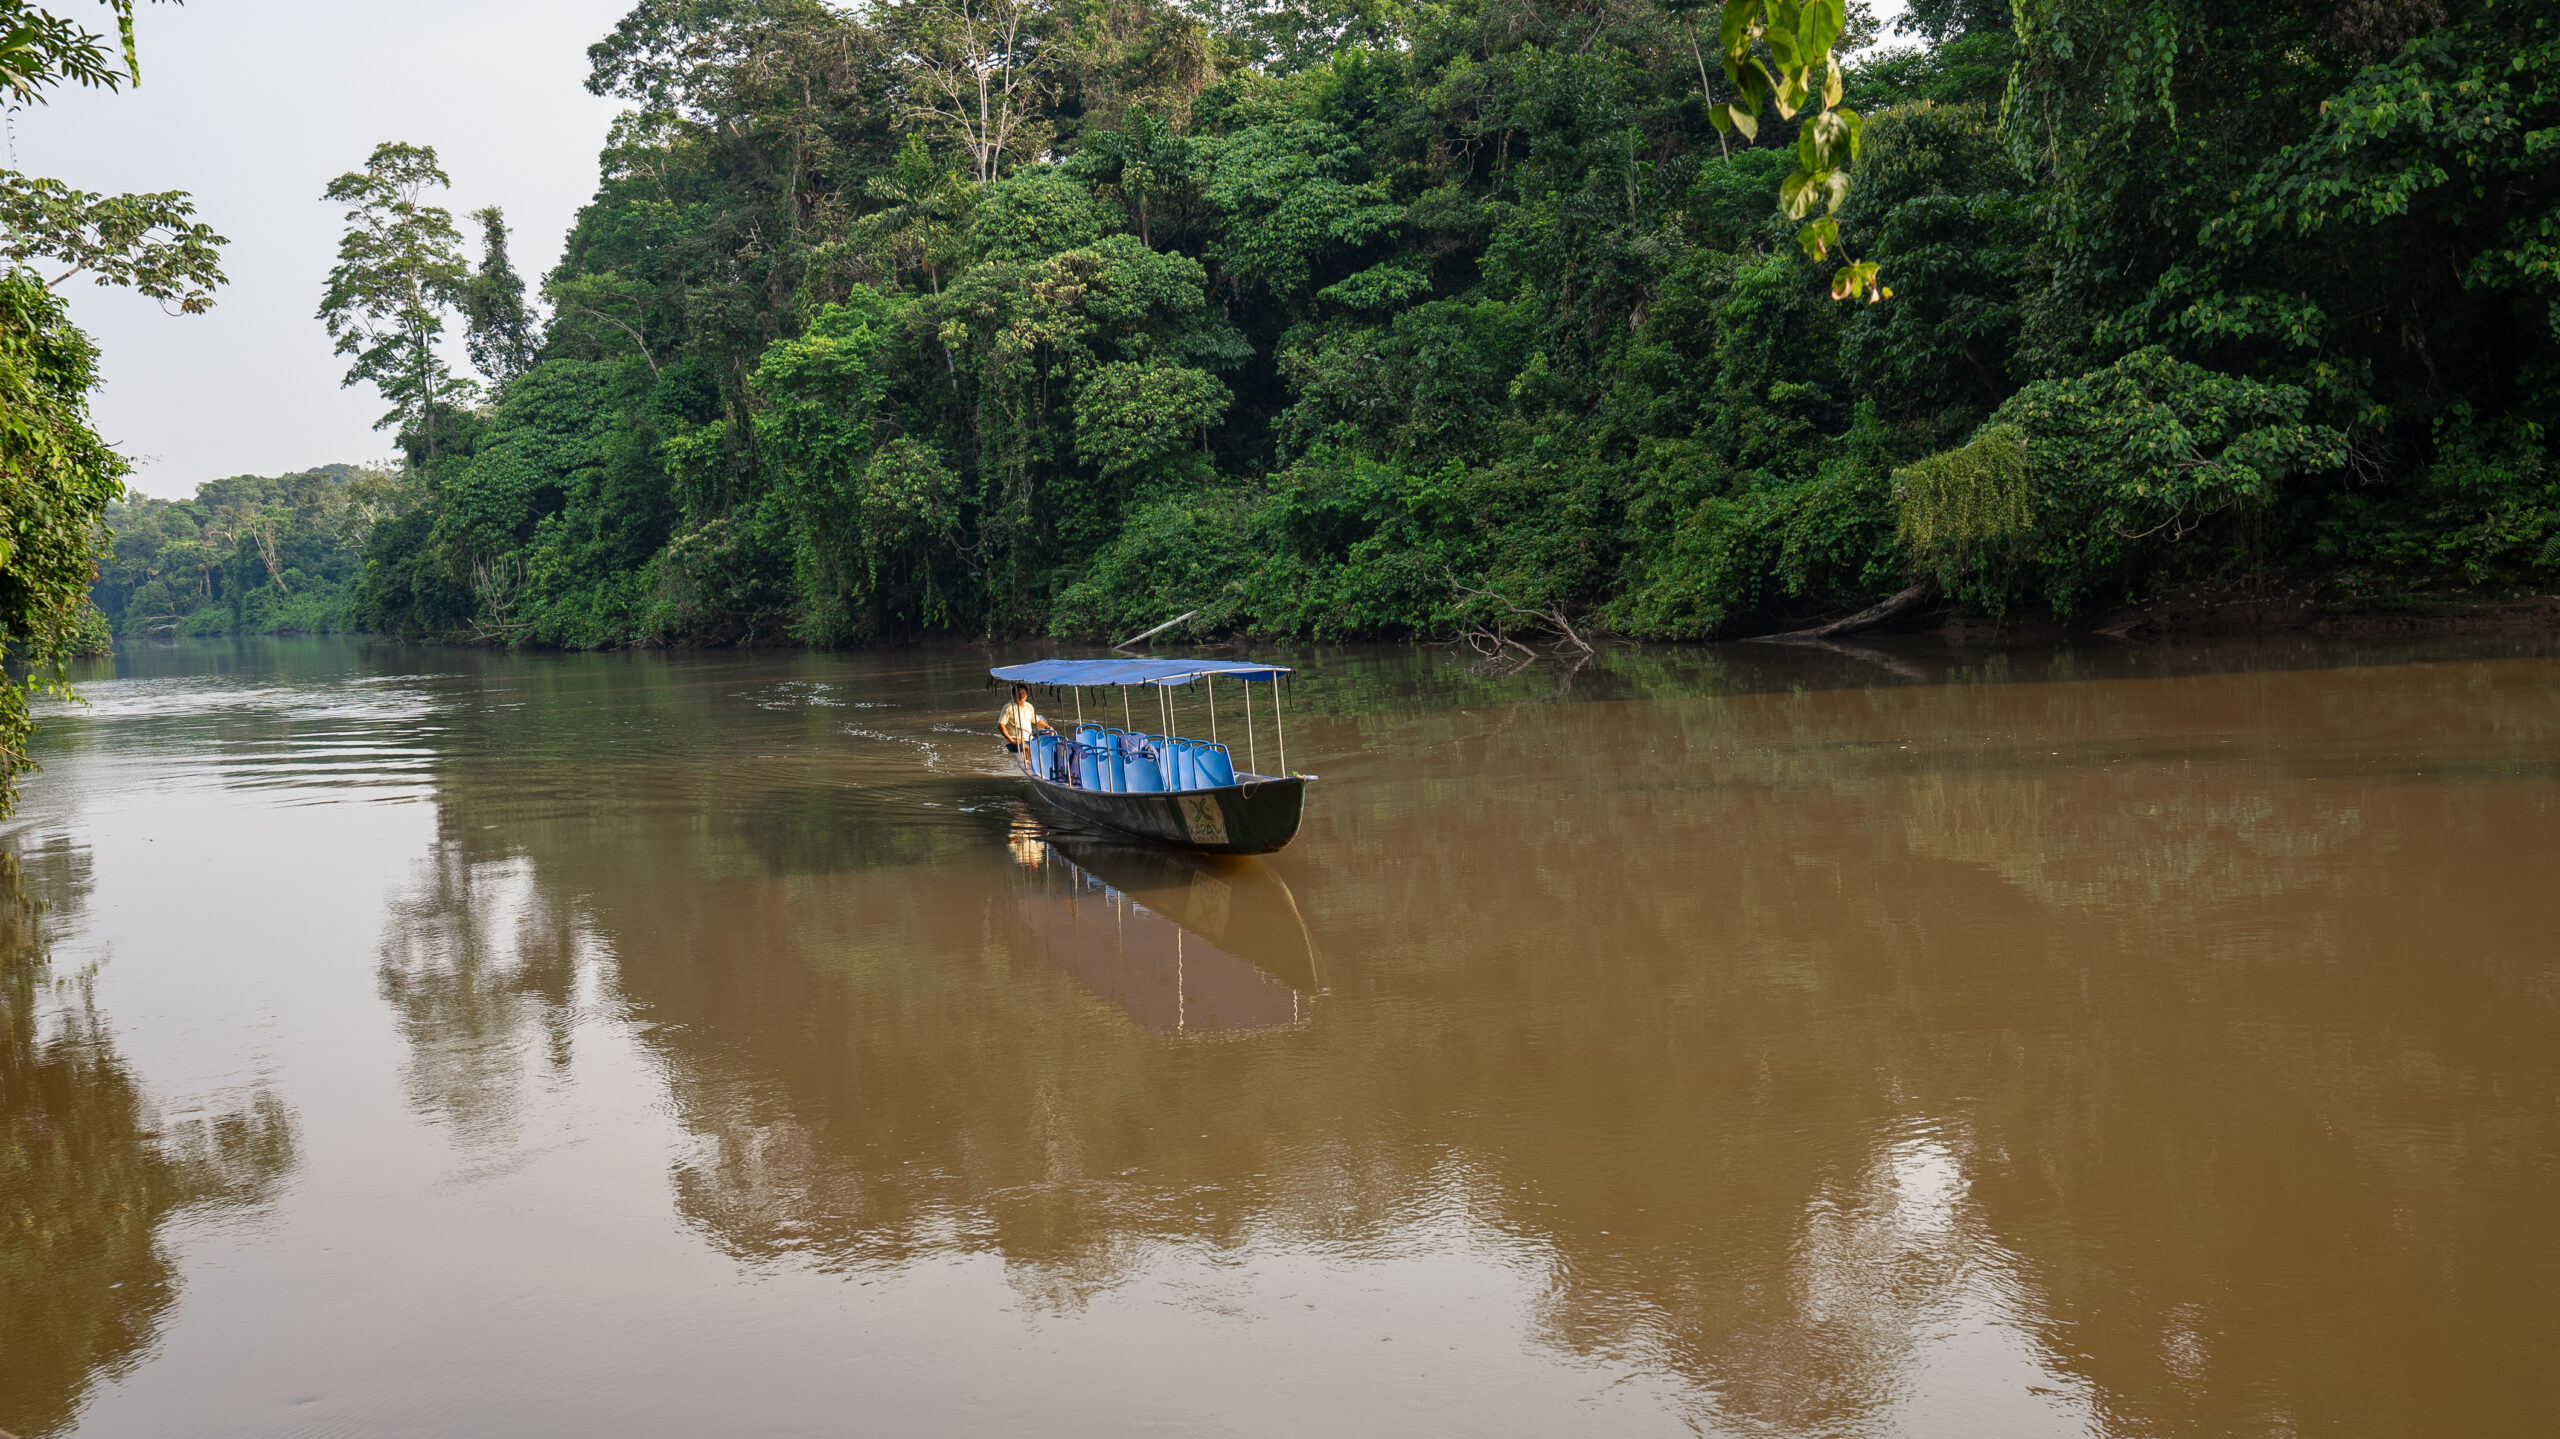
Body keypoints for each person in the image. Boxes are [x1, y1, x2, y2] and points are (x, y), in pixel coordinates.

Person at [998, 682, 1053, 760]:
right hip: (1015, 741)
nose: (1021, 695)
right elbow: (1000, 725)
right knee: (1027, 748)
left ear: (1026, 695)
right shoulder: (1008, 708)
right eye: (1019, 693)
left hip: (1029, 739)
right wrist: (1012, 740)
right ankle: (1030, 766)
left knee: (1047, 745)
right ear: (1014, 696)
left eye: (1023, 693)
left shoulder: (1029, 706)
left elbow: (1036, 721)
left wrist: (1047, 727)